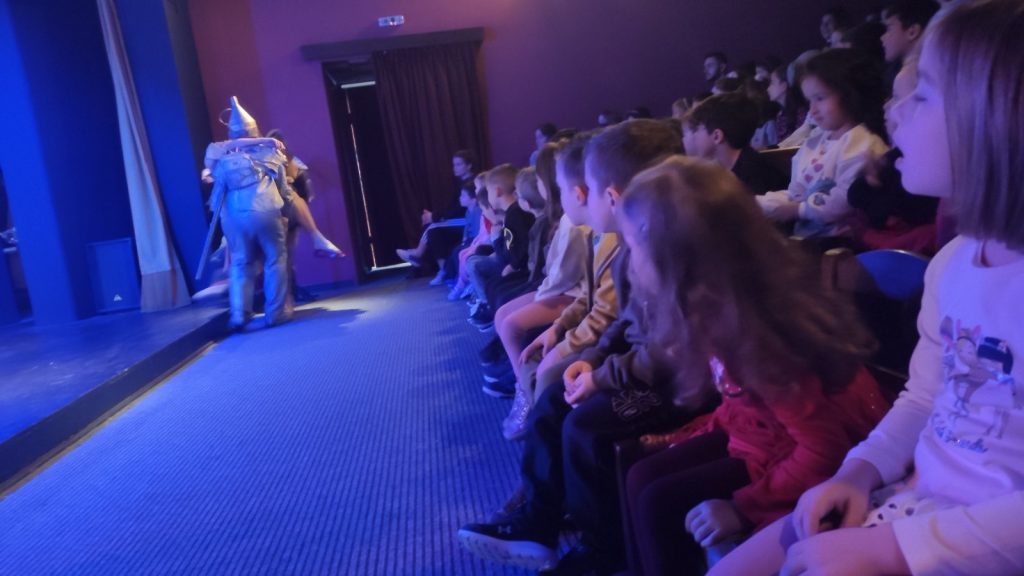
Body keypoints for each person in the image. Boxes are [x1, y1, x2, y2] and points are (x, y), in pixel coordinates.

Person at [712, 2, 1024, 574]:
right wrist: (859, 471)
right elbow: (924, 398)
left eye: (921, 95)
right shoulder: (953, 263)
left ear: (993, 119)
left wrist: (894, 550)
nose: (893, 110)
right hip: (913, 504)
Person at [619, 156, 887, 575]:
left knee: (659, 500)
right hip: (764, 436)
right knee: (642, 477)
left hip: (808, 456)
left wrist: (741, 508)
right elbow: (740, 401)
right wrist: (692, 435)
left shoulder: (763, 337)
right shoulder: (716, 303)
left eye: (632, 246)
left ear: (677, 257)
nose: (628, 260)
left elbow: (823, 450)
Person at [457, 119, 683, 574]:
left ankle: (601, 551)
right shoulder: (631, 245)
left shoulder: (663, 251)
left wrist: (601, 372)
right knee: (553, 404)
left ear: (611, 197)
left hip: (673, 384)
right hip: (633, 365)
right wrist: (594, 361)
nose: (573, 199)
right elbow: (622, 323)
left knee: (585, 426)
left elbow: (668, 351)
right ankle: (537, 523)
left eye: (586, 190)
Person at [757, 49, 889, 240]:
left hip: (843, 243)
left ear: (850, 94)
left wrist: (798, 210)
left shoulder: (863, 142)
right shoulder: (815, 141)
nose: (812, 110)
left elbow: (846, 198)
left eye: (820, 98)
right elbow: (796, 193)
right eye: (809, 100)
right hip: (807, 239)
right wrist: (759, 203)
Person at [205, 97, 291, 329]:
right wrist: (288, 211)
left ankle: (239, 314)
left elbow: (216, 192)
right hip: (266, 211)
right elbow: (284, 190)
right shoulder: (269, 152)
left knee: (240, 262)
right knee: (275, 259)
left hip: (234, 217)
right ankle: (275, 313)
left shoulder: (220, 157)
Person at [396, 150, 476, 284]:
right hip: (459, 219)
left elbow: (460, 209)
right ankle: (443, 271)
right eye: (454, 165)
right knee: (433, 231)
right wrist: (434, 215)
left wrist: (434, 216)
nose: (455, 168)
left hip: (467, 220)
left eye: (459, 164)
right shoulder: (459, 183)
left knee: (432, 226)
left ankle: (417, 253)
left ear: (469, 165)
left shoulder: (471, 183)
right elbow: (451, 206)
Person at [682, 93, 787, 194]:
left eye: (696, 130)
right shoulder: (726, 170)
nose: (693, 136)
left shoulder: (753, 173)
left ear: (717, 136)